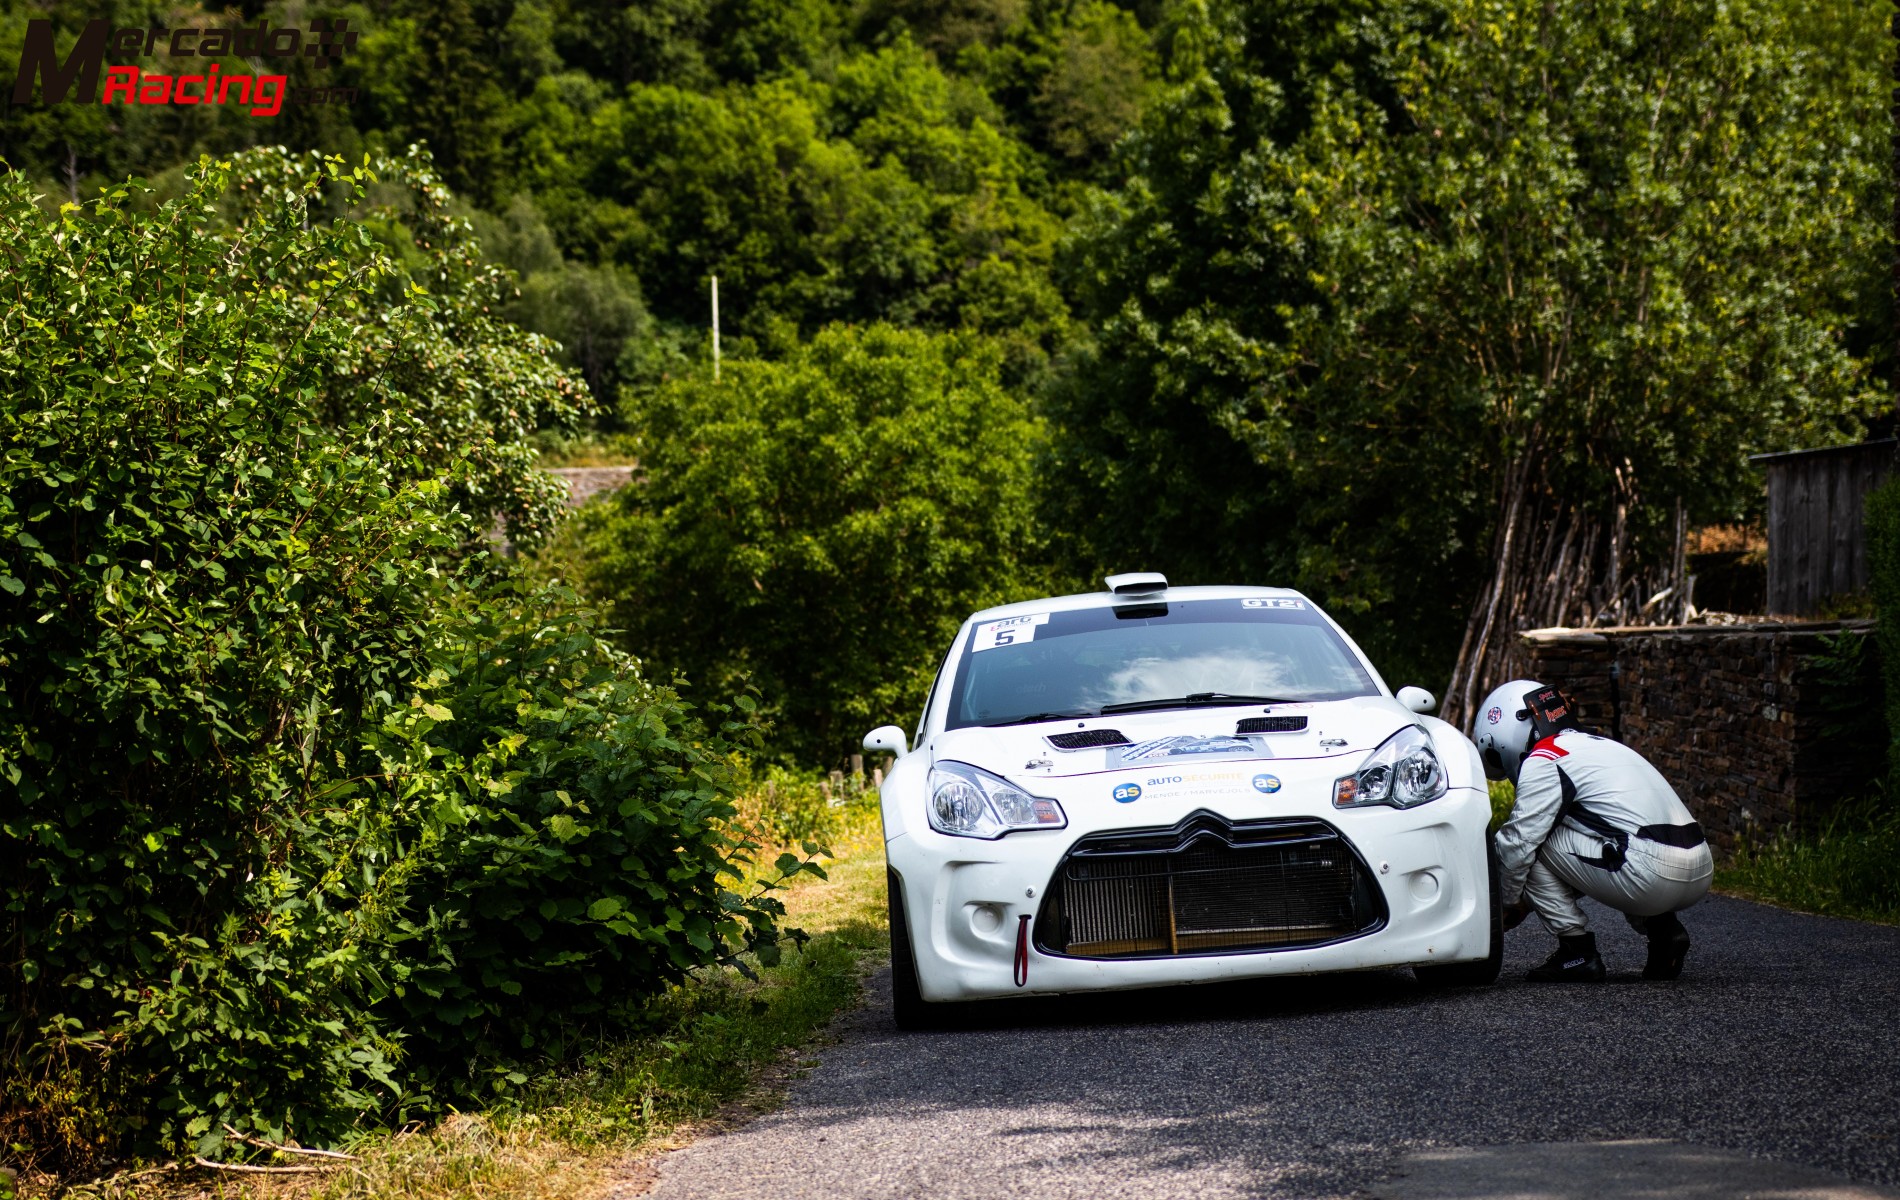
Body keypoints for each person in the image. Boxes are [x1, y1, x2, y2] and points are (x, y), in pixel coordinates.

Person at [1474, 680, 1714, 982]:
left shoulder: (1546, 757)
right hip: (1699, 865)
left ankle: (1577, 951)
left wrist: (1505, 905)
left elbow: (1518, 843)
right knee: (1616, 838)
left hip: (1651, 873)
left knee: (1527, 845)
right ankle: (1664, 930)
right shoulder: (1603, 744)